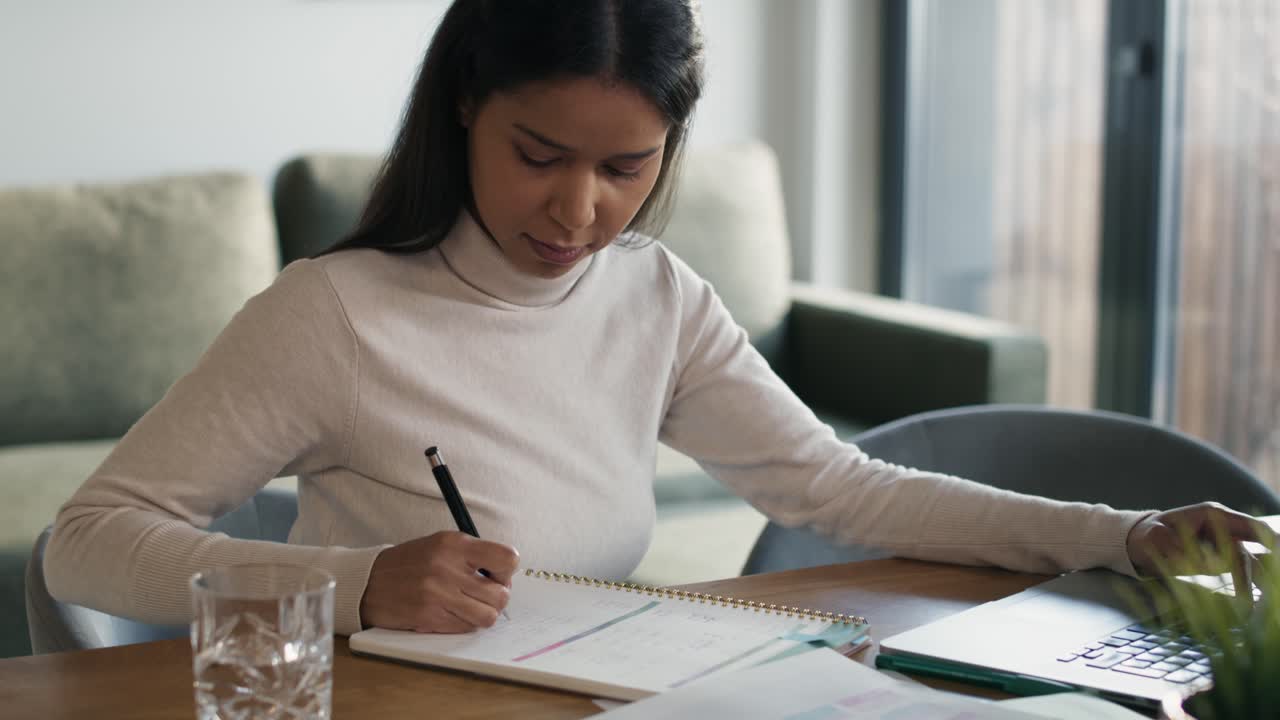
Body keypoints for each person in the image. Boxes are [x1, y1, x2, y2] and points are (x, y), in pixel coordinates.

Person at [45, 0, 1272, 638]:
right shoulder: (334, 315)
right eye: (537, 154)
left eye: (625, 166)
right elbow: (89, 543)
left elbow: (844, 491)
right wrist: (359, 584)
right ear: (465, 106)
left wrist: (1126, 536)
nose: (577, 210)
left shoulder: (654, 296)